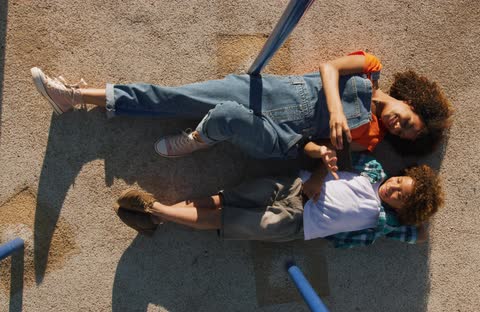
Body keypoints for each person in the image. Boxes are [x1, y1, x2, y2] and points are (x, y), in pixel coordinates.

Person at [30, 51, 453, 167]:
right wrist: (338, 112)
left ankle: (199, 139)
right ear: (412, 103)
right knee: (171, 97)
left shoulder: (372, 139)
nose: (397, 127)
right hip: (263, 92)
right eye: (409, 121)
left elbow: (314, 151)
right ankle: (76, 97)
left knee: (229, 122)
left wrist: (326, 153)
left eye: (403, 135)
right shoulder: (370, 69)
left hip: (277, 136)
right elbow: (328, 68)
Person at [114, 152, 444, 247]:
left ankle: (154, 208)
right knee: (223, 199)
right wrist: (319, 172)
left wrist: (419, 222)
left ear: (402, 209)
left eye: (401, 196)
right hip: (291, 186)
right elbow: (335, 155)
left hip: (297, 223)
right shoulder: (371, 170)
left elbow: (415, 232)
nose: (395, 187)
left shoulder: (381, 222)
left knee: (225, 218)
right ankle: (158, 217)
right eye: (401, 180)